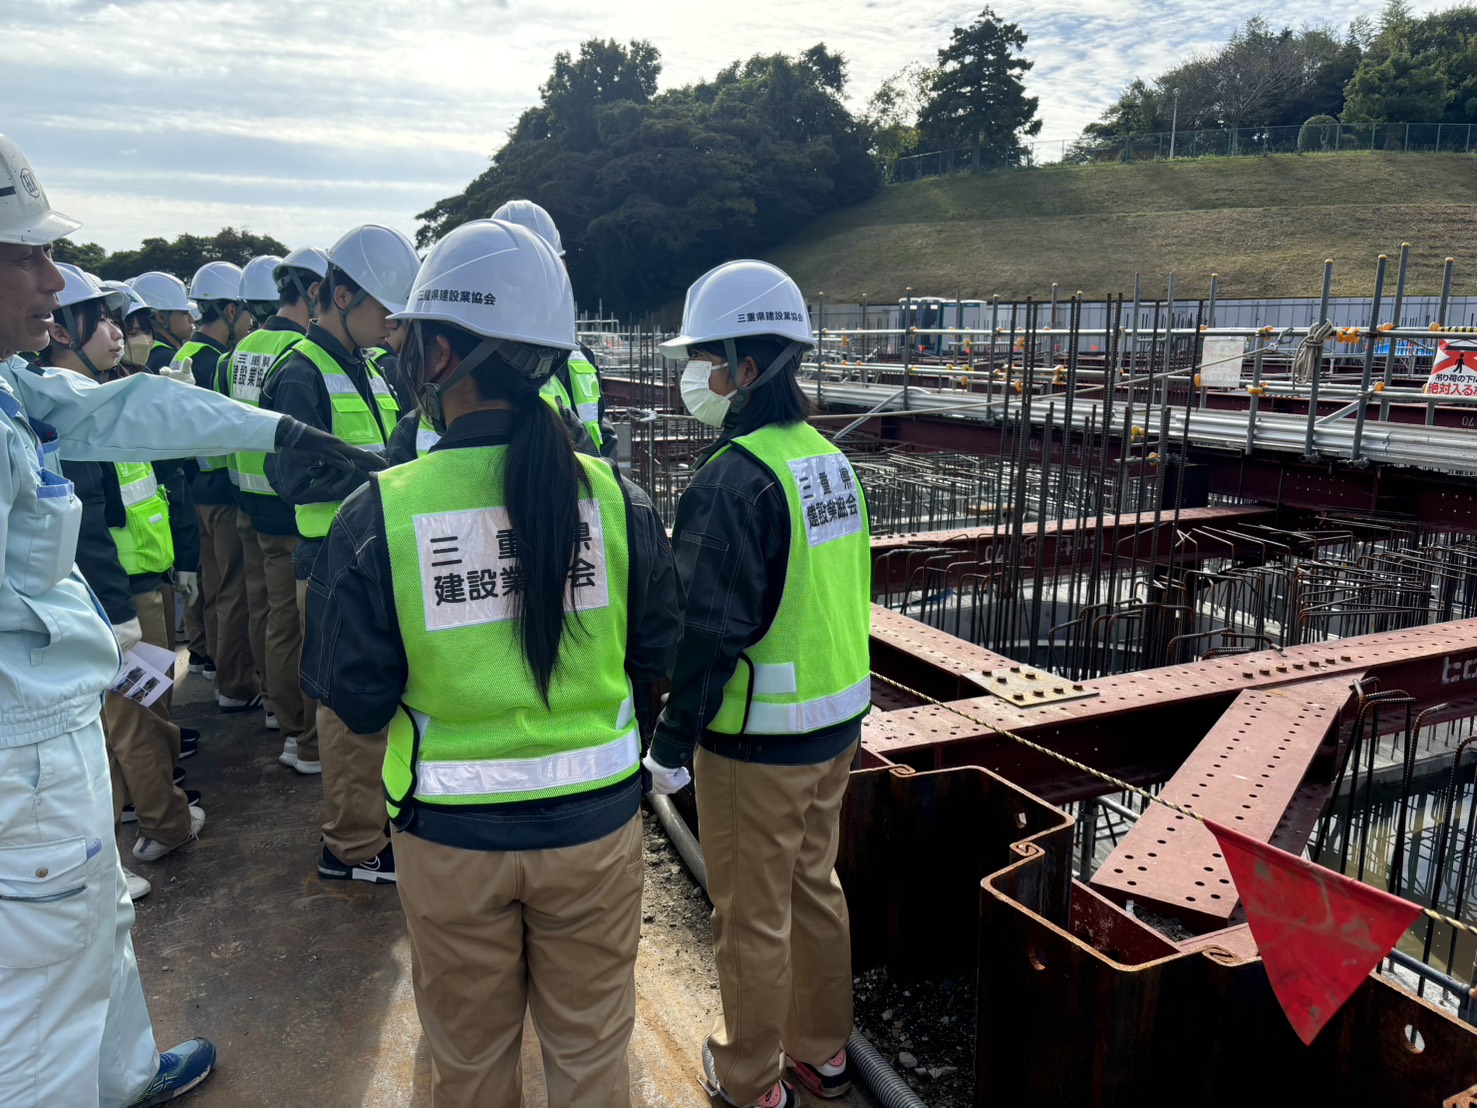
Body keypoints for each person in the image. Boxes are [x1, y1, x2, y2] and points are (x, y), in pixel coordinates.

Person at [0, 133, 383, 1108]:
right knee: (41, 998)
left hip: (53, 729)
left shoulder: (17, 387)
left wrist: (283, 435)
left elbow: (128, 412)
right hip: (21, 744)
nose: (54, 276)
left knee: (94, 925)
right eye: (25, 255)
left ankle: (127, 1073)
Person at [301, 218, 680, 1105]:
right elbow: (659, 655)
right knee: (591, 1058)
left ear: (438, 355)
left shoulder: (381, 514)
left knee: (469, 1065)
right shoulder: (617, 501)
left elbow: (353, 703)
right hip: (595, 833)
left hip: (450, 842)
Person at [643, 260, 872, 1108]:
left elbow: (707, 633)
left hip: (756, 742)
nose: (695, 375)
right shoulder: (826, 461)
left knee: (751, 915)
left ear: (747, 368)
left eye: (706, 357)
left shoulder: (733, 478)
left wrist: (668, 746)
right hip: (834, 727)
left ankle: (748, 1080)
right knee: (816, 889)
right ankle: (823, 1054)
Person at [261, 222, 416, 881]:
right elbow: (289, 478)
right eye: (384, 309)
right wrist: (380, 468)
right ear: (342, 296)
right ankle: (351, 846)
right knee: (348, 708)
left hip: (372, 556)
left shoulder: (370, 368)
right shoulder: (298, 372)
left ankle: (374, 824)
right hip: (329, 561)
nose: (391, 325)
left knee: (378, 702)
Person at [39, 264, 207, 872]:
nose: (117, 332)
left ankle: (146, 819)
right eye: (102, 320)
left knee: (143, 711)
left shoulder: (100, 398)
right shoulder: (71, 415)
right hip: (119, 599)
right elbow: (84, 528)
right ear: (61, 331)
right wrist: (115, 612)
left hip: (141, 588)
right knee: (137, 721)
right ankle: (164, 825)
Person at [223, 248, 326, 772]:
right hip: (290, 509)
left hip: (248, 501)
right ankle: (297, 728)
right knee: (294, 623)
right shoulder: (300, 354)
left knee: (265, 611)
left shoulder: (240, 350)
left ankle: (273, 706)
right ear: (313, 293)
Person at [177, 261, 263, 720]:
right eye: (246, 314)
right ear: (230, 310)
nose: (249, 323)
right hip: (221, 493)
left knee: (213, 585)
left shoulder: (181, 355)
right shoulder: (213, 360)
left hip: (195, 491)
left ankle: (213, 662)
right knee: (233, 590)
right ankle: (233, 681)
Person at [491, 199, 618, 470]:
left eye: (546, 266)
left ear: (563, 269)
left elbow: (601, 432)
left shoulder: (581, 356)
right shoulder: (485, 360)